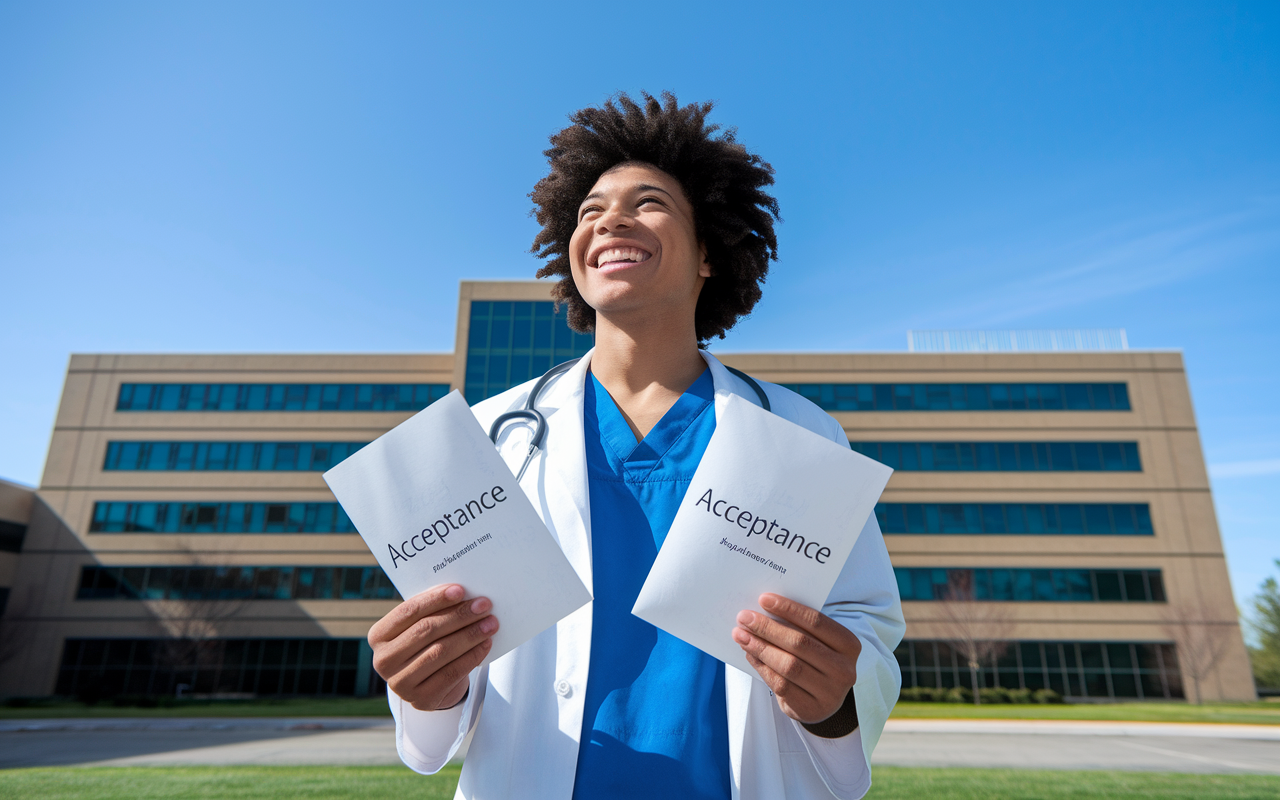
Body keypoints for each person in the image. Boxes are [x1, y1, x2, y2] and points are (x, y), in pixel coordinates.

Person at [367, 92, 904, 800]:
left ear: (708, 251)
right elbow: (453, 691)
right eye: (589, 211)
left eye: (647, 202)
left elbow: (867, 623)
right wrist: (426, 687)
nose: (610, 219)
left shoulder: (799, 431)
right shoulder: (491, 436)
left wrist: (836, 694)